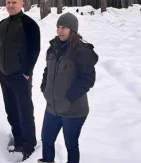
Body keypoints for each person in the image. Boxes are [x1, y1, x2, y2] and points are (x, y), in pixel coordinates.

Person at [38, 12, 98, 163]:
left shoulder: (81, 51)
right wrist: (44, 87)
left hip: (73, 109)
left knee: (70, 145)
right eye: (58, 27)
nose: (59, 31)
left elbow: (88, 79)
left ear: (73, 30)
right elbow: (48, 69)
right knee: (46, 140)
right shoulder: (53, 48)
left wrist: (68, 98)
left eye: (63, 27)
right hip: (52, 107)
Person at [0, 0, 41, 161]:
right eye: (8, 2)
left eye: (14, 2)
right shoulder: (2, 24)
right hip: (4, 75)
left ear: (22, 4)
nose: (11, 5)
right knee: (11, 110)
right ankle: (19, 140)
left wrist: (27, 71)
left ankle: (29, 146)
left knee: (25, 111)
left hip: (20, 76)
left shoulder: (29, 24)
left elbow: (34, 49)